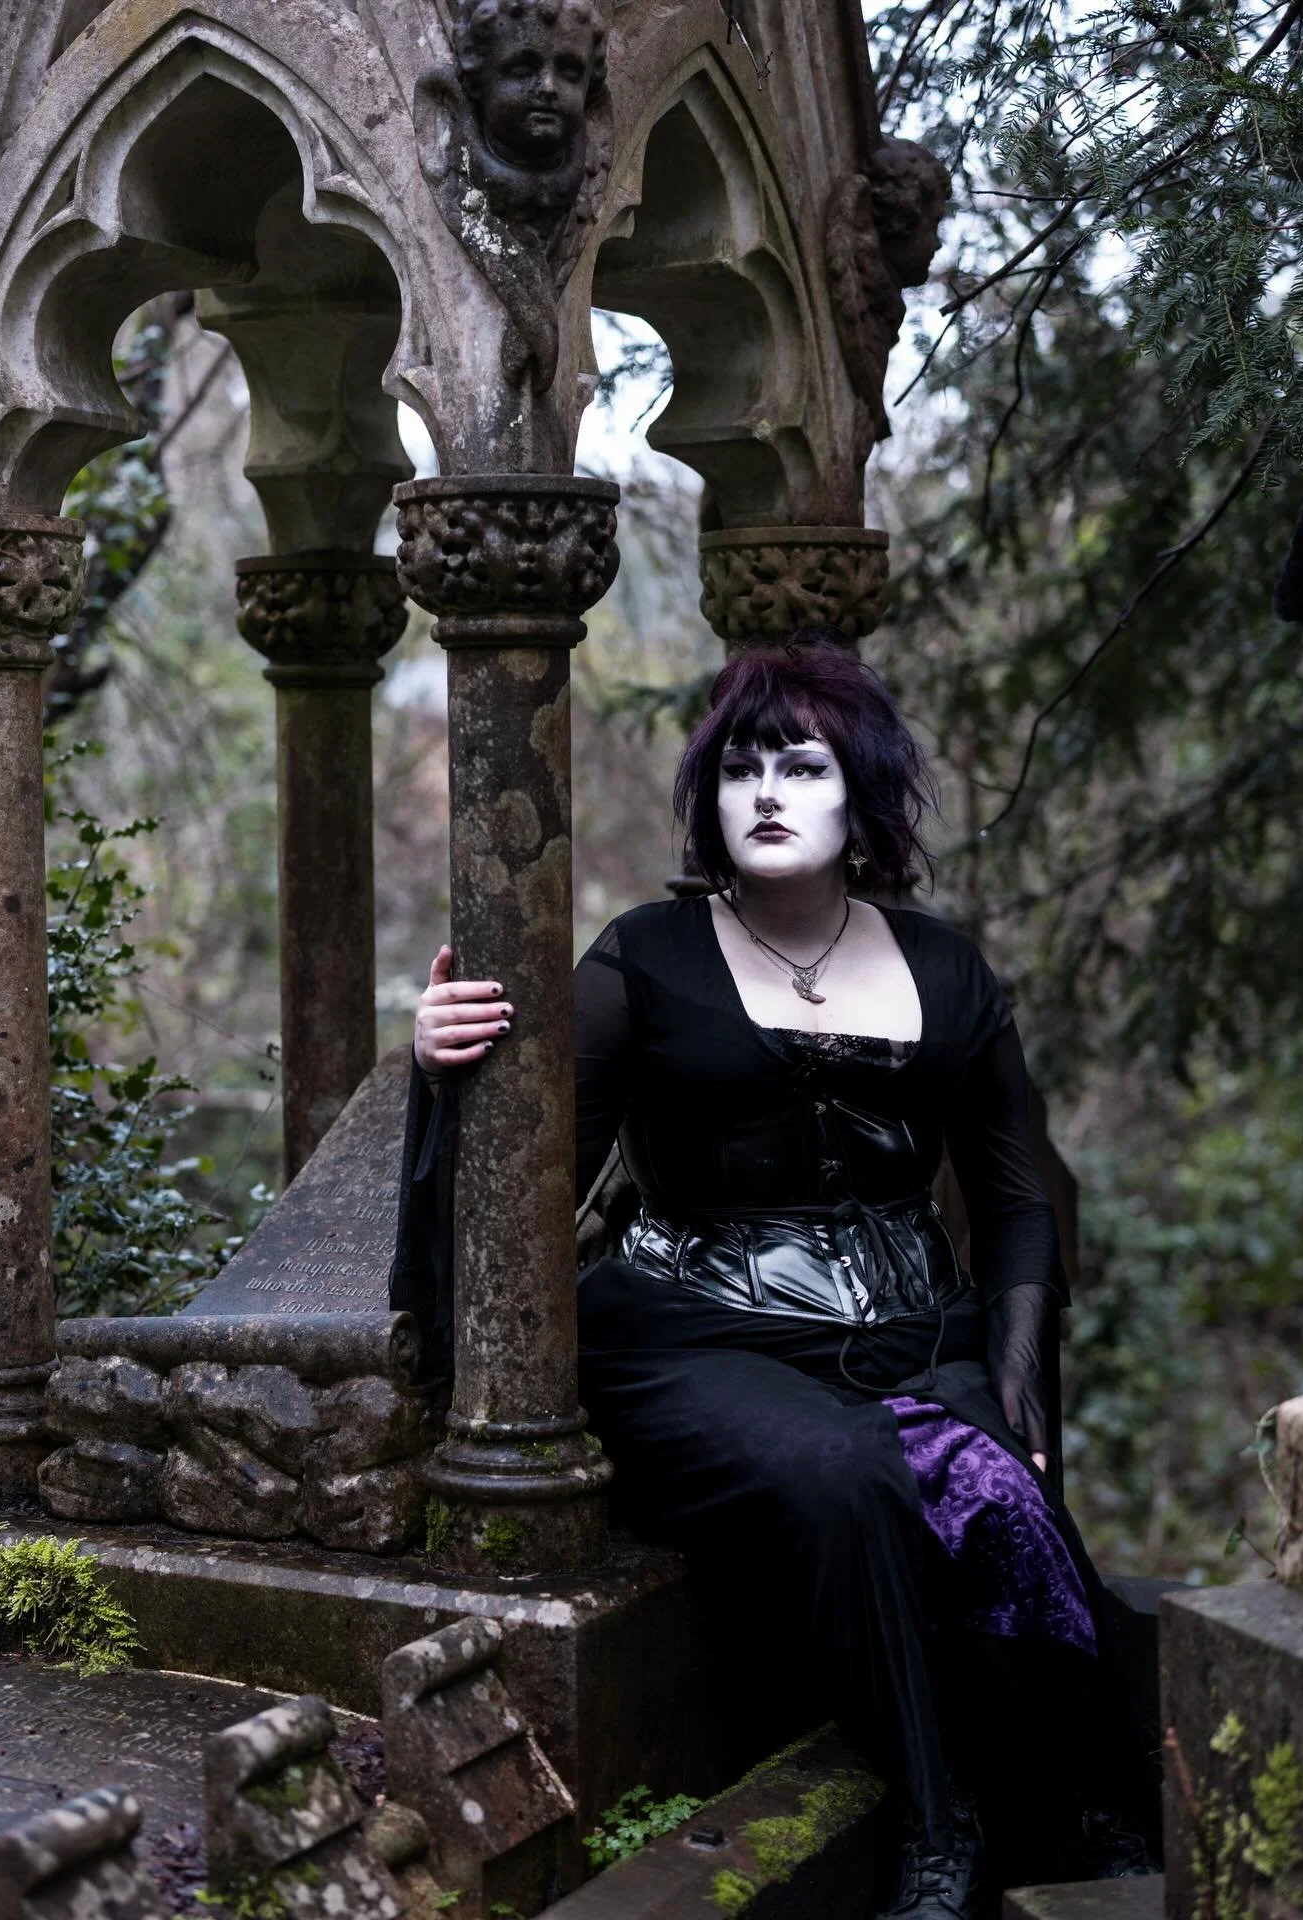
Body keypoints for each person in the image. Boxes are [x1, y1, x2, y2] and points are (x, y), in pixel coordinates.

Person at [399, 638, 1150, 1918]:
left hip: (913, 1339)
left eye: (802, 765)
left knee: (1008, 1506)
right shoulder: (645, 957)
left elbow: (1019, 1203)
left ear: (858, 798)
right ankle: (938, 1830)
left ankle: (1093, 1809)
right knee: (849, 1478)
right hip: (689, 1340)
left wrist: (1016, 1387)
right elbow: (526, 1198)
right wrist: (435, 1071)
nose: (766, 790)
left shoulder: (946, 969)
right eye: (740, 763)